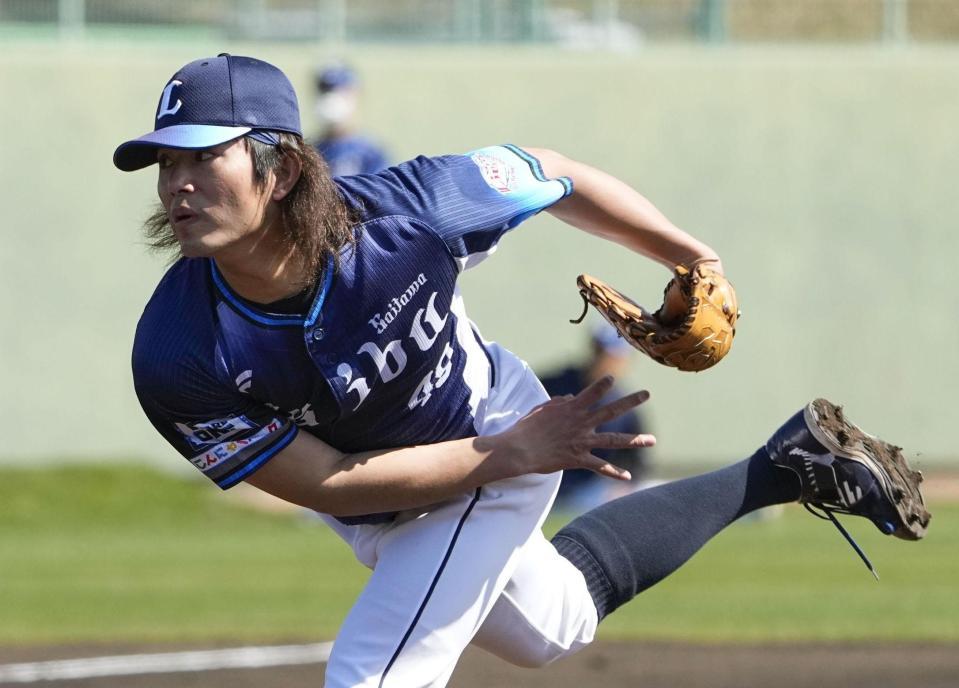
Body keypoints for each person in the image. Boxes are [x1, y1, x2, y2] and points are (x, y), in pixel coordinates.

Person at [113, 54, 928, 688]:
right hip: (410, 485)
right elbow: (327, 483)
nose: (177, 183)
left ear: (281, 168)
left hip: (494, 429)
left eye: (203, 156)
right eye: (163, 162)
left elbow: (555, 173)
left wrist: (691, 255)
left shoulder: (410, 211)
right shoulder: (179, 352)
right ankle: (783, 466)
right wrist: (508, 458)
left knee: (373, 671)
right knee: (554, 625)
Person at [540, 321, 651, 513]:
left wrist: (623, 487)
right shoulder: (554, 385)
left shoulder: (624, 406)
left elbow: (636, 462)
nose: (609, 363)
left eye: (617, 358)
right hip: (541, 479)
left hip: (589, 491)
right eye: (604, 355)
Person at [311, 61, 389, 176]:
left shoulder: (371, 155)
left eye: (341, 92)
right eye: (326, 91)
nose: (333, 100)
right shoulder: (311, 152)